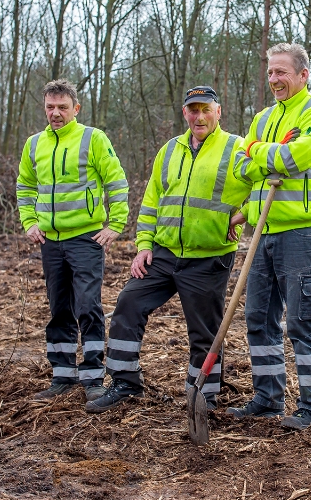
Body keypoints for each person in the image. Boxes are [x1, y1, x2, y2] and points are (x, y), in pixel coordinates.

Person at [85, 86, 250, 413]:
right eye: (193, 110)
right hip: (164, 253)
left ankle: (202, 397)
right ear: (185, 112)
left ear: (218, 112)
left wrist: (242, 216)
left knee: (204, 330)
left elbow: (262, 189)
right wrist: (144, 245)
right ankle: (124, 382)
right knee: (129, 303)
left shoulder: (238, 148)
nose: (199, 117)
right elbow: (151, 202)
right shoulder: (170, 149)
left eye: (206, 109)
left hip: (209, 256)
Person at [227, 43, 311, 430]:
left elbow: (291, 160)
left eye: (282, 72)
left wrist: (256, 152)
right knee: (259, 318)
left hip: (301, 234)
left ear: (303, 75)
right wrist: (264, 155)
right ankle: (267, 398)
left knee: (303, 322)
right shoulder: (262, 118)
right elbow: (239, 167)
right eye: (271, 72)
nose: (274, 79)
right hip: (262, 231)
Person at [16, 79, 130, 401]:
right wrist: (29, 222)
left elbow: (116, 181)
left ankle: (93, 377)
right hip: (50, 241)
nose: (56, 113)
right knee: (58, 309)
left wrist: (116, 224)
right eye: (50, 107)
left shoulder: (93, 138)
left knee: (88, 306)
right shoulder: (34, 144)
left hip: (85, 238)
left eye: (62, 107)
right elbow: (25, 186)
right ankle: (62, 375)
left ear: (76, 108)